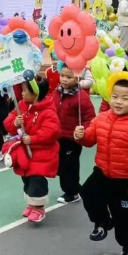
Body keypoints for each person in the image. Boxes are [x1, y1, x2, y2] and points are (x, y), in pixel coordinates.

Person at [74, 72, 128, 255]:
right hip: (102, 172)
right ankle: (102, 222)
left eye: (125, 98)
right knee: (88, 193)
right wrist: (80, 136)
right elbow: (90, 139)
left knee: (124, 216)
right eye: (115, 96)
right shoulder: (102, 118)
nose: (118, 102)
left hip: (125, 180)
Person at [2, 77, 60, 224]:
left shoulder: (48, 111)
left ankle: (39, 208)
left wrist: (33, 138)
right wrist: (15, 122)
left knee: (37, 179)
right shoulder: (21, 105)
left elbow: (51, 131)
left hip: (42, 153)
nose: (22, 93)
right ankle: (31, 203)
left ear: (35, 93)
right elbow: (8, 122)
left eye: (24, 90)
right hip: (25, 152)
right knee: (26, 178)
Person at [53, 65, 95, 204]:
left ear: (78, 78)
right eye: (62, 75)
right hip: (57, 136)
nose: (64, 79)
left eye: (69, 77)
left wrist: (84, 131)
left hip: (72, 138)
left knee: (69, 165)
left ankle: (72, 192)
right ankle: (75, 187)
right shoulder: (57, 92)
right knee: (60, 164)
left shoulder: (81, 97)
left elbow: (89, 118)